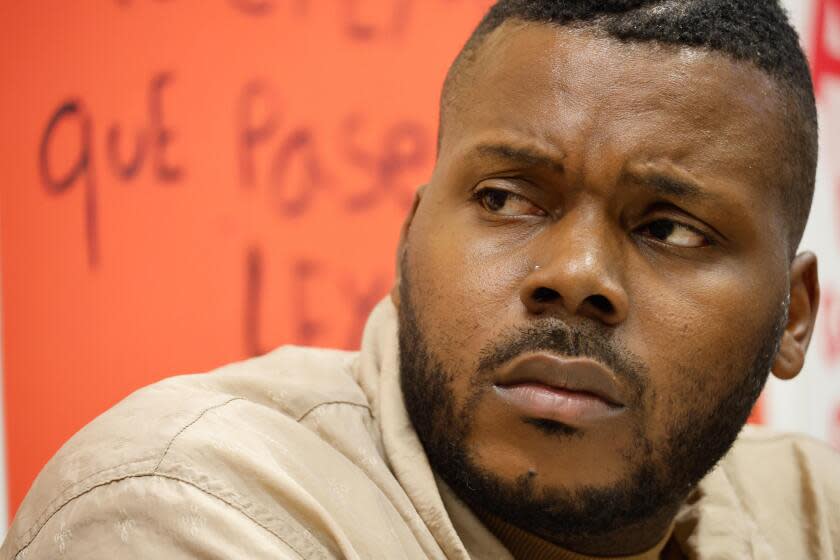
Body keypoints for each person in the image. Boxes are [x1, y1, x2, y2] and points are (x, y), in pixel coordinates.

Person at [4, 1, 839, 558]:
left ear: (792, 319)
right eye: (507, 199)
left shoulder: (813, 510)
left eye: (670, 229)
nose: (576, 277)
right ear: (407, 244)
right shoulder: (182, 507)